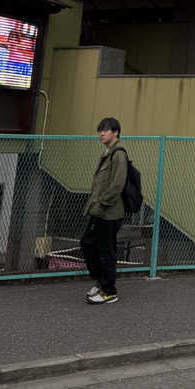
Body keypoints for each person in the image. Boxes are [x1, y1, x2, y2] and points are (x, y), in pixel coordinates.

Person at [80, 117, 127, 304]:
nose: (101, 133)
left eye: (106, 130)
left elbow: (117, 184)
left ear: (115, 132)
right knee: (88, 244)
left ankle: (109, 291)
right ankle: (101, 282)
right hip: (100, 211)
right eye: (100, 130)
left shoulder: (118, 154)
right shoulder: (108, 153)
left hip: (109, 213)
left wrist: (101, 203)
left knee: (106, 251)